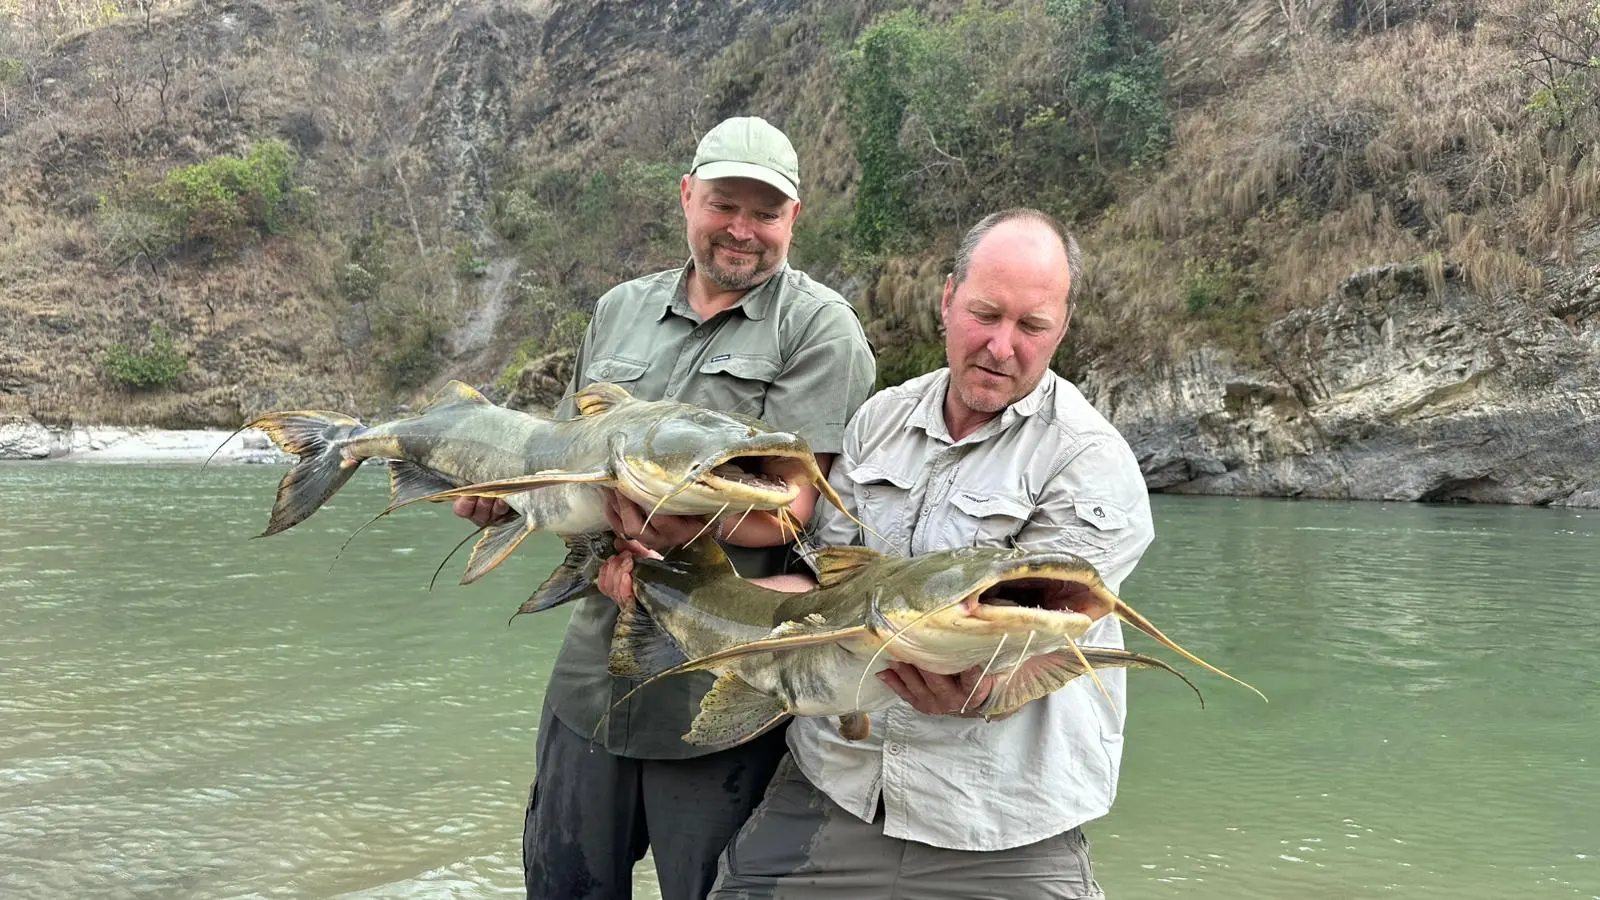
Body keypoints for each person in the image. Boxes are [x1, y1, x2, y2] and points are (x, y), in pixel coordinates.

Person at [457, 116, 876, 900]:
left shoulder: (822, 331)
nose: (742, 231)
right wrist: (513, 506)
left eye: (765, 213)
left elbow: (791, 507)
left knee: (711, 890)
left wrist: (648, 517)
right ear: (686, 196)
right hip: (591, 669)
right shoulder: (619, 310)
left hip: (721, 684)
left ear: (795, 217)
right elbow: (567, 458)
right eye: (724, 204)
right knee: (562, 883)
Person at [701, 208, 1156, 898]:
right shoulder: (878, 420)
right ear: (947, 299)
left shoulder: (1091, 464)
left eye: (1032, 326)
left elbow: (1030, 651)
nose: (1002, 347)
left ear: (1061, 328)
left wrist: (983, 689)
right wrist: (692, 585)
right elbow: (827, 584)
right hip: (835, 789)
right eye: (985, 314)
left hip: (1000, 823)